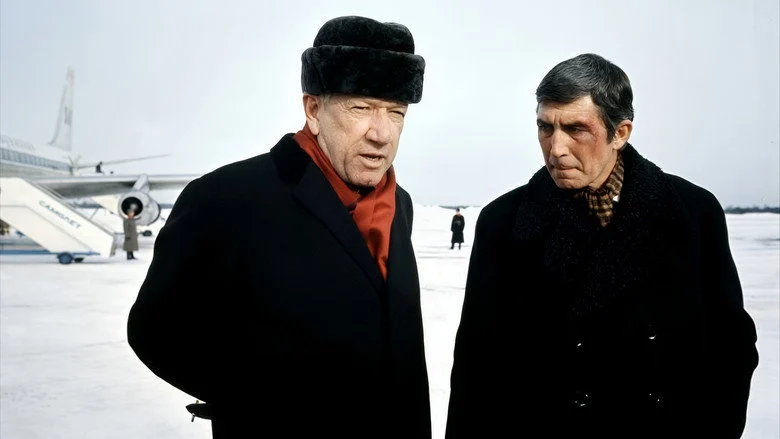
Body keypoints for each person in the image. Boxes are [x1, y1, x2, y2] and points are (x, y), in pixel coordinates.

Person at [127, 16, 430, 439]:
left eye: (395, 113)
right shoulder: (226, 198)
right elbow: (156, 331)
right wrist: (265, 402)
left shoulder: (401, 205)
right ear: (314, 110)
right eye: (360, 108)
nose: (381, 134)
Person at [445, 53, 758, 438]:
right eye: (545, 127)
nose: (555, 148)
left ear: (620, 133)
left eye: (575, 129)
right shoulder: (502, 222)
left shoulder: (693, 212)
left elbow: (732, 345)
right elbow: (475, 366)